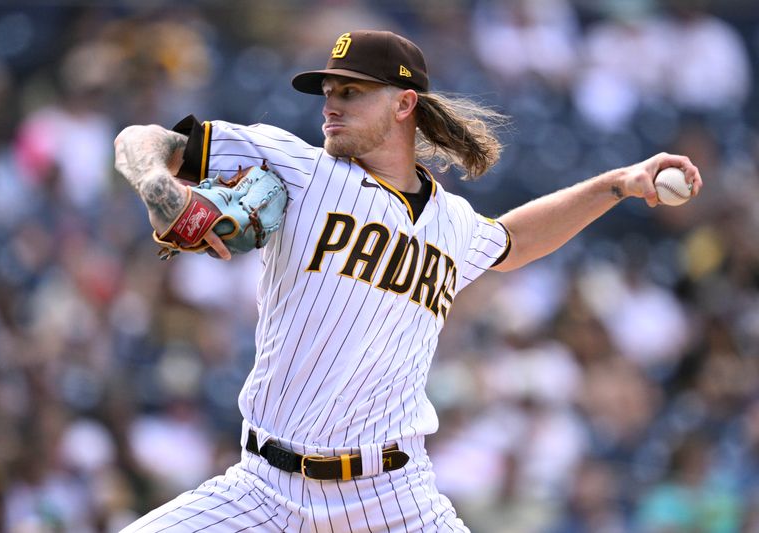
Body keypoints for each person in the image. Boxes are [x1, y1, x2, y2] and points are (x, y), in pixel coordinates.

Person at [113, 30, 702, 532]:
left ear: (404, 105)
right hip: (263, 491)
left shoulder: (453, 224)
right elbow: (138, 140)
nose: (330, 105)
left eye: (351, 92)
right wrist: (160, 190)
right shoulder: (297, 167)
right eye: (328, 92)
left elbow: (515, 241)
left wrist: (619, 184)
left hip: (394, 500)